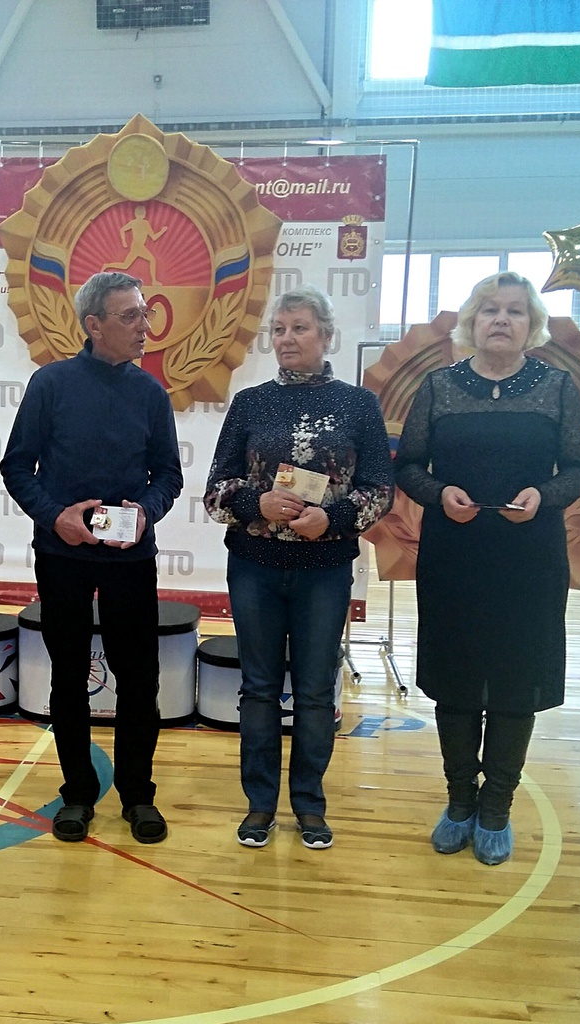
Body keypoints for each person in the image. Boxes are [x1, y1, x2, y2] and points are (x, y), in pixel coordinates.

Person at [393, 272, 580, 865]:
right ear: (471, 322)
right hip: (454, 557)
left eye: (514, 311)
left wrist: (543, 496)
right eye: (489, 310)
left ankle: (497, 806)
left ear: (532, 325)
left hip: (528, 558)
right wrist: (439, 493)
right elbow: (408, 466)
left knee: (515, 680)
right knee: (455, 681)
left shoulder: (557, 387)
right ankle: (459, 800)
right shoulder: (439, 386)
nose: (501, 319)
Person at [203, 286, 393, 850]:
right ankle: (260, 804)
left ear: (326, 336)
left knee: (314, 691)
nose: (287, 338)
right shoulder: (250, 402)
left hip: (324, 569)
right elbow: (215, 491)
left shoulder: (360, 405)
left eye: (300, 328)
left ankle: (309, 804)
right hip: (255, 568)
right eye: (280, 329)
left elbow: (380, 491)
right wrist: (254, 503)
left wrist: (332, 519)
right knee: (259, 689)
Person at [0, 271, 183, 845]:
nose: (144, 325)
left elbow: (169, 475)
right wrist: (55, 516)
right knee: (68, 676)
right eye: (130, 316)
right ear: (94, 325)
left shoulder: (150, 393)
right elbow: (16, 467)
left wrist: (147, 511)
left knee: (140, 678)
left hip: (132, 560)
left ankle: (138, 795)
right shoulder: (50, 384)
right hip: (63, 556)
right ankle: (77, 793)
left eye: (145, 314)